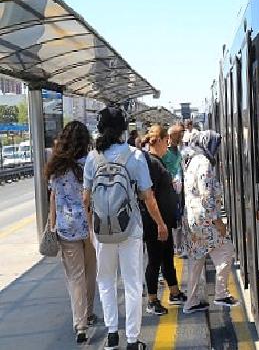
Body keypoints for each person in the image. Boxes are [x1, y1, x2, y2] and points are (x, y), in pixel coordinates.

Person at [83, 107, 169, 350]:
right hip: (130, 228)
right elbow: (148, 196)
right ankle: (132, 340)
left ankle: (112, 335)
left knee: (106, 280)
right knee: (132, 283)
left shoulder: (92, 158)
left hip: (102, 230)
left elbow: (86, 199)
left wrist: (93, 229)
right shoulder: (135, 156)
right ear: (124, 130)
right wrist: (161, 223)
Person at [45, 121, 97, 344]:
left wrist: (52, 224)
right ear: (85, 141)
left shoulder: (56, 167)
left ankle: (80, 324)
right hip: (91, 227)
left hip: (66, 228)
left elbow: (54, 198)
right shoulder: (90, 163)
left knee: (75, 277)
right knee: (90, 272)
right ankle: (90, 313)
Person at [183, 130, 238, 313]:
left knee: (197, 260)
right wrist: (218, 221)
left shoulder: (192, 161)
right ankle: (221, 294)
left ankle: (190, 302)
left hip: (193, 219)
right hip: (205, 219)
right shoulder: (204, 163)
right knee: (226, 249)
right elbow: (206, 195)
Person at [141, 125, 187, 315]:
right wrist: (160, 223)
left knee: (167, 256)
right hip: (155, 222)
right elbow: (149, 195)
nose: (168, 145)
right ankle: (152, 299)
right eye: (165, 141)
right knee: (154, 259)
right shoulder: (151, 163)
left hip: (164, 221)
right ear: (158, 141)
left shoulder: (156, 161)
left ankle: (174, 292)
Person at [163, 124, 187, 258]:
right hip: (170, 189)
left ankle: (178, 246)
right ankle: (175, 246)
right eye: (179, 135)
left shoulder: (178, 150)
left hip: (179, 188)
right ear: (172, 136)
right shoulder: (166, 152)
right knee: (174, 217)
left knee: (179, 216)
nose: (181, 138)